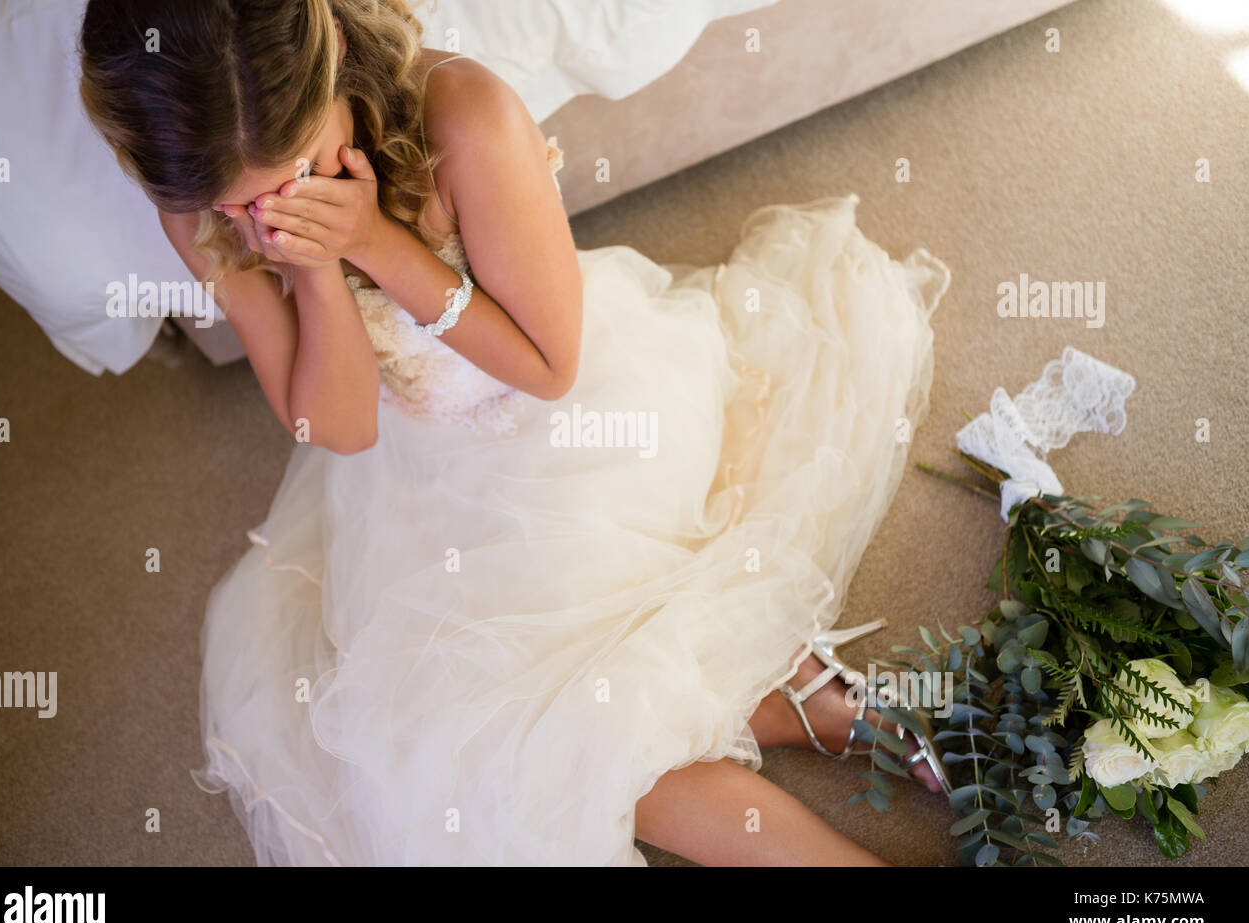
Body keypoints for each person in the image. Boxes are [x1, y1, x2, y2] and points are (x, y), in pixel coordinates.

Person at [80, 0, 952, 865]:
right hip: (411, 472)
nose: (272, 216)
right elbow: (337, 428)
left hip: (575, 422)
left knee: (566, 734)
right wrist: (313, 269)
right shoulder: (198, 203)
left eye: (294, 173)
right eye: (243, 207)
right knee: (508, 744)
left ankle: (812, 714)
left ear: (331, 56)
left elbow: (547, 367)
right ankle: (811, 701)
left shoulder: (464, 114)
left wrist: (377, 242)